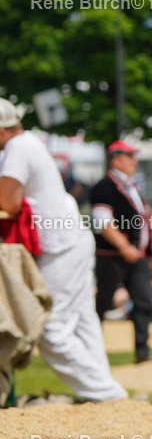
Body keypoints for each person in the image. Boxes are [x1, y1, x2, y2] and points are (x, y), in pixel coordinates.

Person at [0, 99, 127, 401]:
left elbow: (8, 202)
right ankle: (110, 396)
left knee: (49, 329)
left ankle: (108, 394)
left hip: (61, 246)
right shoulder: (27, 142)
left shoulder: (17, 149)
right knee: (84, 322)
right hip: (70, 240)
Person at [91, 140, 152, 363]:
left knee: (144, 301)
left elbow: (142, 221)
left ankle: (143, 349)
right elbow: (102, 222)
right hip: (112, 257)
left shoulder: (130, 186)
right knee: (102, 303)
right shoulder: (105, 186)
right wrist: (123, 246)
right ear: (116, 160)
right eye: (130, 156)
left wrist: (151, 248)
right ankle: (92, 352)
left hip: (136, 256)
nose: (135, 161)